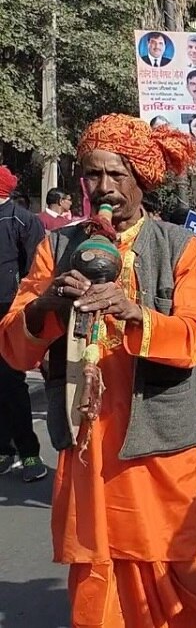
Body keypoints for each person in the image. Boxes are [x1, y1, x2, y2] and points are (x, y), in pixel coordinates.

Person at [0, 114, 196, 624]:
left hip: (163, 443)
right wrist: (49, 302)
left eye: (116, 175)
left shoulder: (178, 245)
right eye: (93, 175)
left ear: (142, 177)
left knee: (186, 569)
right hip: (90, 443)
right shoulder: (57, 247)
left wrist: (135, 311)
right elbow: (15, 347)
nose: (103, 188)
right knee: (99, 574)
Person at [0, 165, 48, 481]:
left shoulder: (21, 220)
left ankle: (29, 455)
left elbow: (37, 276)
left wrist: (30, 322)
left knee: (11, 385)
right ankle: (5, 450)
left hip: (8, 315)